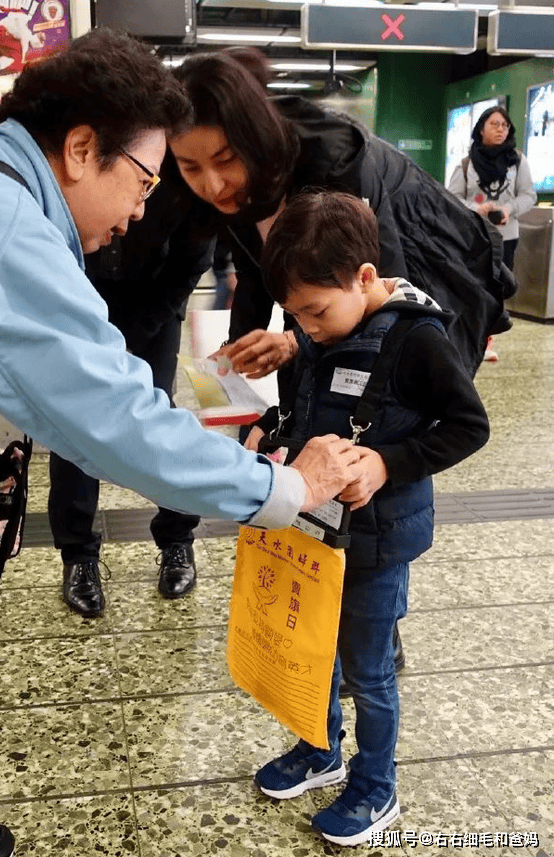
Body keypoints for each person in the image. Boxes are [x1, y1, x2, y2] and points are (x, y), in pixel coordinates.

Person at [0, 30, 363, 857]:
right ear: (82, 149)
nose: (142, 209)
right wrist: (285, 488)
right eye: (148, 180)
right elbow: (118, 422)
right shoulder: (8, 230)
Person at [244, 190, 490, 846]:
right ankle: (319, 748)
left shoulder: (417, 340)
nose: (306, 326)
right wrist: (270, 430)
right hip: (315, 529)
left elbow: (470, 426)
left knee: (368, 669)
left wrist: (387, 463)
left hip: (378, 543)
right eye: (294, 314)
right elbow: (309, 403)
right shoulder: (325, 325)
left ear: (363, 278)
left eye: (314, 311)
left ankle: (376, 785)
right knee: (311, 648)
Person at [170, 52, 513, 383]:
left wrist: (294, 342)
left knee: (403, 372)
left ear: (253, 141)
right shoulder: (230, 187)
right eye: (190, 167)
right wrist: (238, 349)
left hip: (417, 248)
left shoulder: (334, 162)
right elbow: (254, 269)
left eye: (226, 159)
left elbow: (380, 288)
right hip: (342, 284)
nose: (212, 185)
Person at [51, 151, 217, 613]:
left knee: (156, 420)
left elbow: (188, 268)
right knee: (74, 423)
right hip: (82, 300)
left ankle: (176, 539)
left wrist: (132, 335)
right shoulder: (86, 160)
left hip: (154, 308)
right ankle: (78, 555)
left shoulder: (181, 179)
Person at [447, 105, 536, 361]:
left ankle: (486, 340)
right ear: (481, 129)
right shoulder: (466, 164)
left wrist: (509, 208)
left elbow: (529, 195)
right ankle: (470, 338)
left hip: (505, 237)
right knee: (473, 287)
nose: (500, 130)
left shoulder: (518, 161)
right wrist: (478, 208)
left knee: (496, 290)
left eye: (505, 126)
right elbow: (452, 199)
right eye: (494, 124)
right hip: (474, 236)